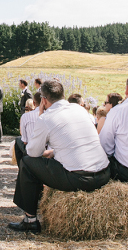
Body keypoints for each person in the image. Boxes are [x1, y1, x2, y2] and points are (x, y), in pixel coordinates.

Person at [9, 80, 110, 233]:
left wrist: (40, 117)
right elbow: (76, 142)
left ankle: (30, 219)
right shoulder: (79, 109)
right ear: (62, 95)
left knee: (26, 160)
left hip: (79, 178)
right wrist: (53, 152)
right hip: (104, 174)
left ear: (43, 100)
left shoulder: (46, 118)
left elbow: (33, 153)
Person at [14, 92, 41, 165]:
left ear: (34, 103)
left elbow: (24, 140)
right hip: (47, 149)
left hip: (32, 149)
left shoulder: (25, 116)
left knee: (18, 140)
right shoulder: (50, 115)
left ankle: (22, 166)